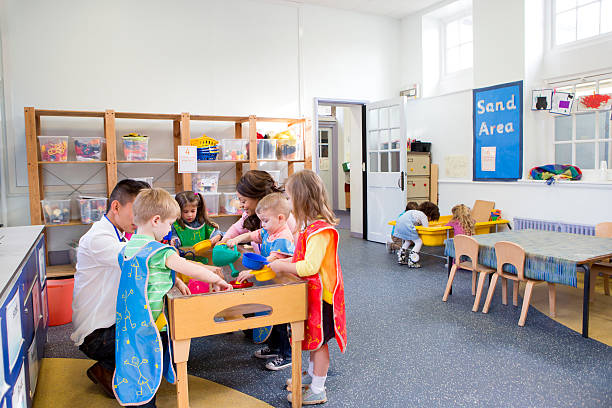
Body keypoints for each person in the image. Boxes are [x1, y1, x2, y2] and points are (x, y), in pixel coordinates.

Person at [72, 179, 190, 398]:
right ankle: (111, 369)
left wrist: (175, 278)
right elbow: (144, 255)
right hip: (97, 334)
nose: (140, 217)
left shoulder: (124, 234)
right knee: (159, 339)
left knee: (167, 333)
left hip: (114, 322)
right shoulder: (98, 238)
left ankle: (110, 368)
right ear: (116, 207)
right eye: (136, 210)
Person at [114, 188, 231, 407]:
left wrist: (174, 279)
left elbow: (145, 273)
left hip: (130, 321)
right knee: (149, 365)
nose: (170, 229)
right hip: (152, 324)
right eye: (169, 224)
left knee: (135, 364)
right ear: (156, 220)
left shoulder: (127, 247)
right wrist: (215, 279)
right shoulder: (160, 251)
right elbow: (186, 266)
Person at [267, 170, 347, 405]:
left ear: (301, 199)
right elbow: (302, 258)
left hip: (325, 299)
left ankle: (318, 388)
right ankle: (312, 376)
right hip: (313, 294)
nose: (288, 204)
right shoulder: (309, 227)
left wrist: (282, 265)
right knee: (313, 339)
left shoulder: (321, 231)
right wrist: (283, 258)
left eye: (290, 199)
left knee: (319, 343)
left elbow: (310, 267)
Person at [231, 192, 295, 371]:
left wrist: (250, 272)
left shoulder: (283, 237)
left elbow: (271, 262)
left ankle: (286, 355)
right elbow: (253, 235)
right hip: (274, 284)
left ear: (281, 218)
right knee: (272, 316)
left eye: (265, 221)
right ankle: (275, 348)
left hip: (285, 285)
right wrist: (237, 238)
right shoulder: (269, 231)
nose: (263, 225)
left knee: (282, 321)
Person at [221, 170, 298, 252]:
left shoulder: (282, 218)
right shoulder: (248, 216)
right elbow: (236, 229)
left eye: (243, 201)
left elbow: (293, 251)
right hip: (265, 262)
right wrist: (225, 240)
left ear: (259, 197)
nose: (240, 205)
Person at [392, 201, 440, 267]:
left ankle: (401, 258)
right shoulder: (423, 216)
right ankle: (412, 261)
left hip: (399, 224)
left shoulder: (414, 212)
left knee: (407, 241)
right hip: (407, 225)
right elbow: (426, 229)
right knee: (418, 242)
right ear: (430, 214)